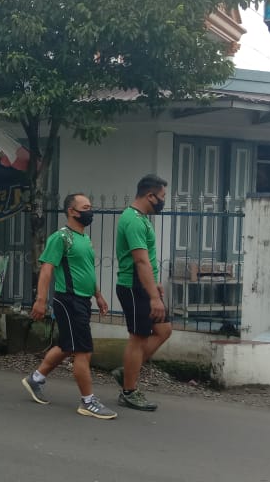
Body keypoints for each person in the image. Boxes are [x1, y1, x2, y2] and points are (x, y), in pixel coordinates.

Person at [21, 193, 116, 419]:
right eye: (86, 207)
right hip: (68, 301)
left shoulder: (84, 239)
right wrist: (40, 300)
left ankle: (35, 379)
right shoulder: (61, 238)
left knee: (67, 345)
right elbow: (47, 269)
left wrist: (99, 295)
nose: (90, 211)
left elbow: (87, 272)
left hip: (83, 300)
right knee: (83, 350)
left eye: (90, 207)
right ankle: (88, 401)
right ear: (72, 211)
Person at [112, 174, 171, 412]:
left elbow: (148, 262)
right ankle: (129, 391)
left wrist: (154, 285)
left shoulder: (141, 219)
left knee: (164, 329)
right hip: (134, 287)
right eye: (162, 196)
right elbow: (141, 261)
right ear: (150, 195)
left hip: (143, 286)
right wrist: (153, 297)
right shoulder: (134, 221)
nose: (163, 201)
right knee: (138, 338)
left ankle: (127, 372)